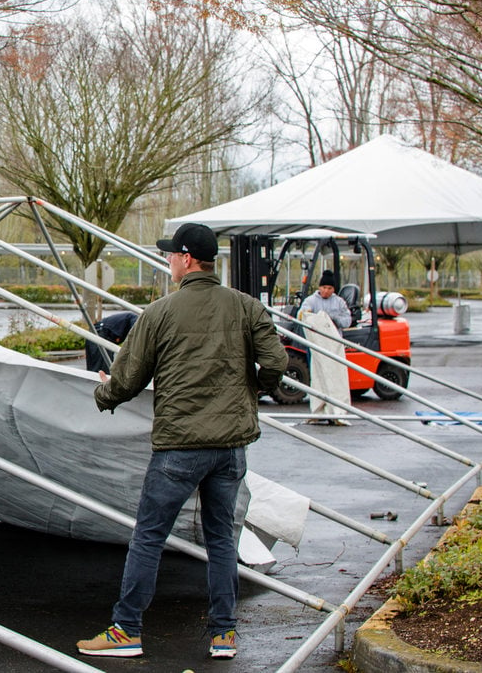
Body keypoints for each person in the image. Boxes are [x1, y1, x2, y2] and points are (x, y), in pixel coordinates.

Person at [76, 223, 287, 661]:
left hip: (179, 447)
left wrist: (103, 391)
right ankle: (224, 635)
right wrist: (250, 390)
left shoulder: (161, 312)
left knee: (149, 537)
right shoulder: (247, 308)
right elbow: (276, 362)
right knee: (222, 539)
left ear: (187, 260)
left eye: (172, 254)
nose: (169, 260)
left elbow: (128, 380)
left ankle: (126, 630)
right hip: (230, 449)